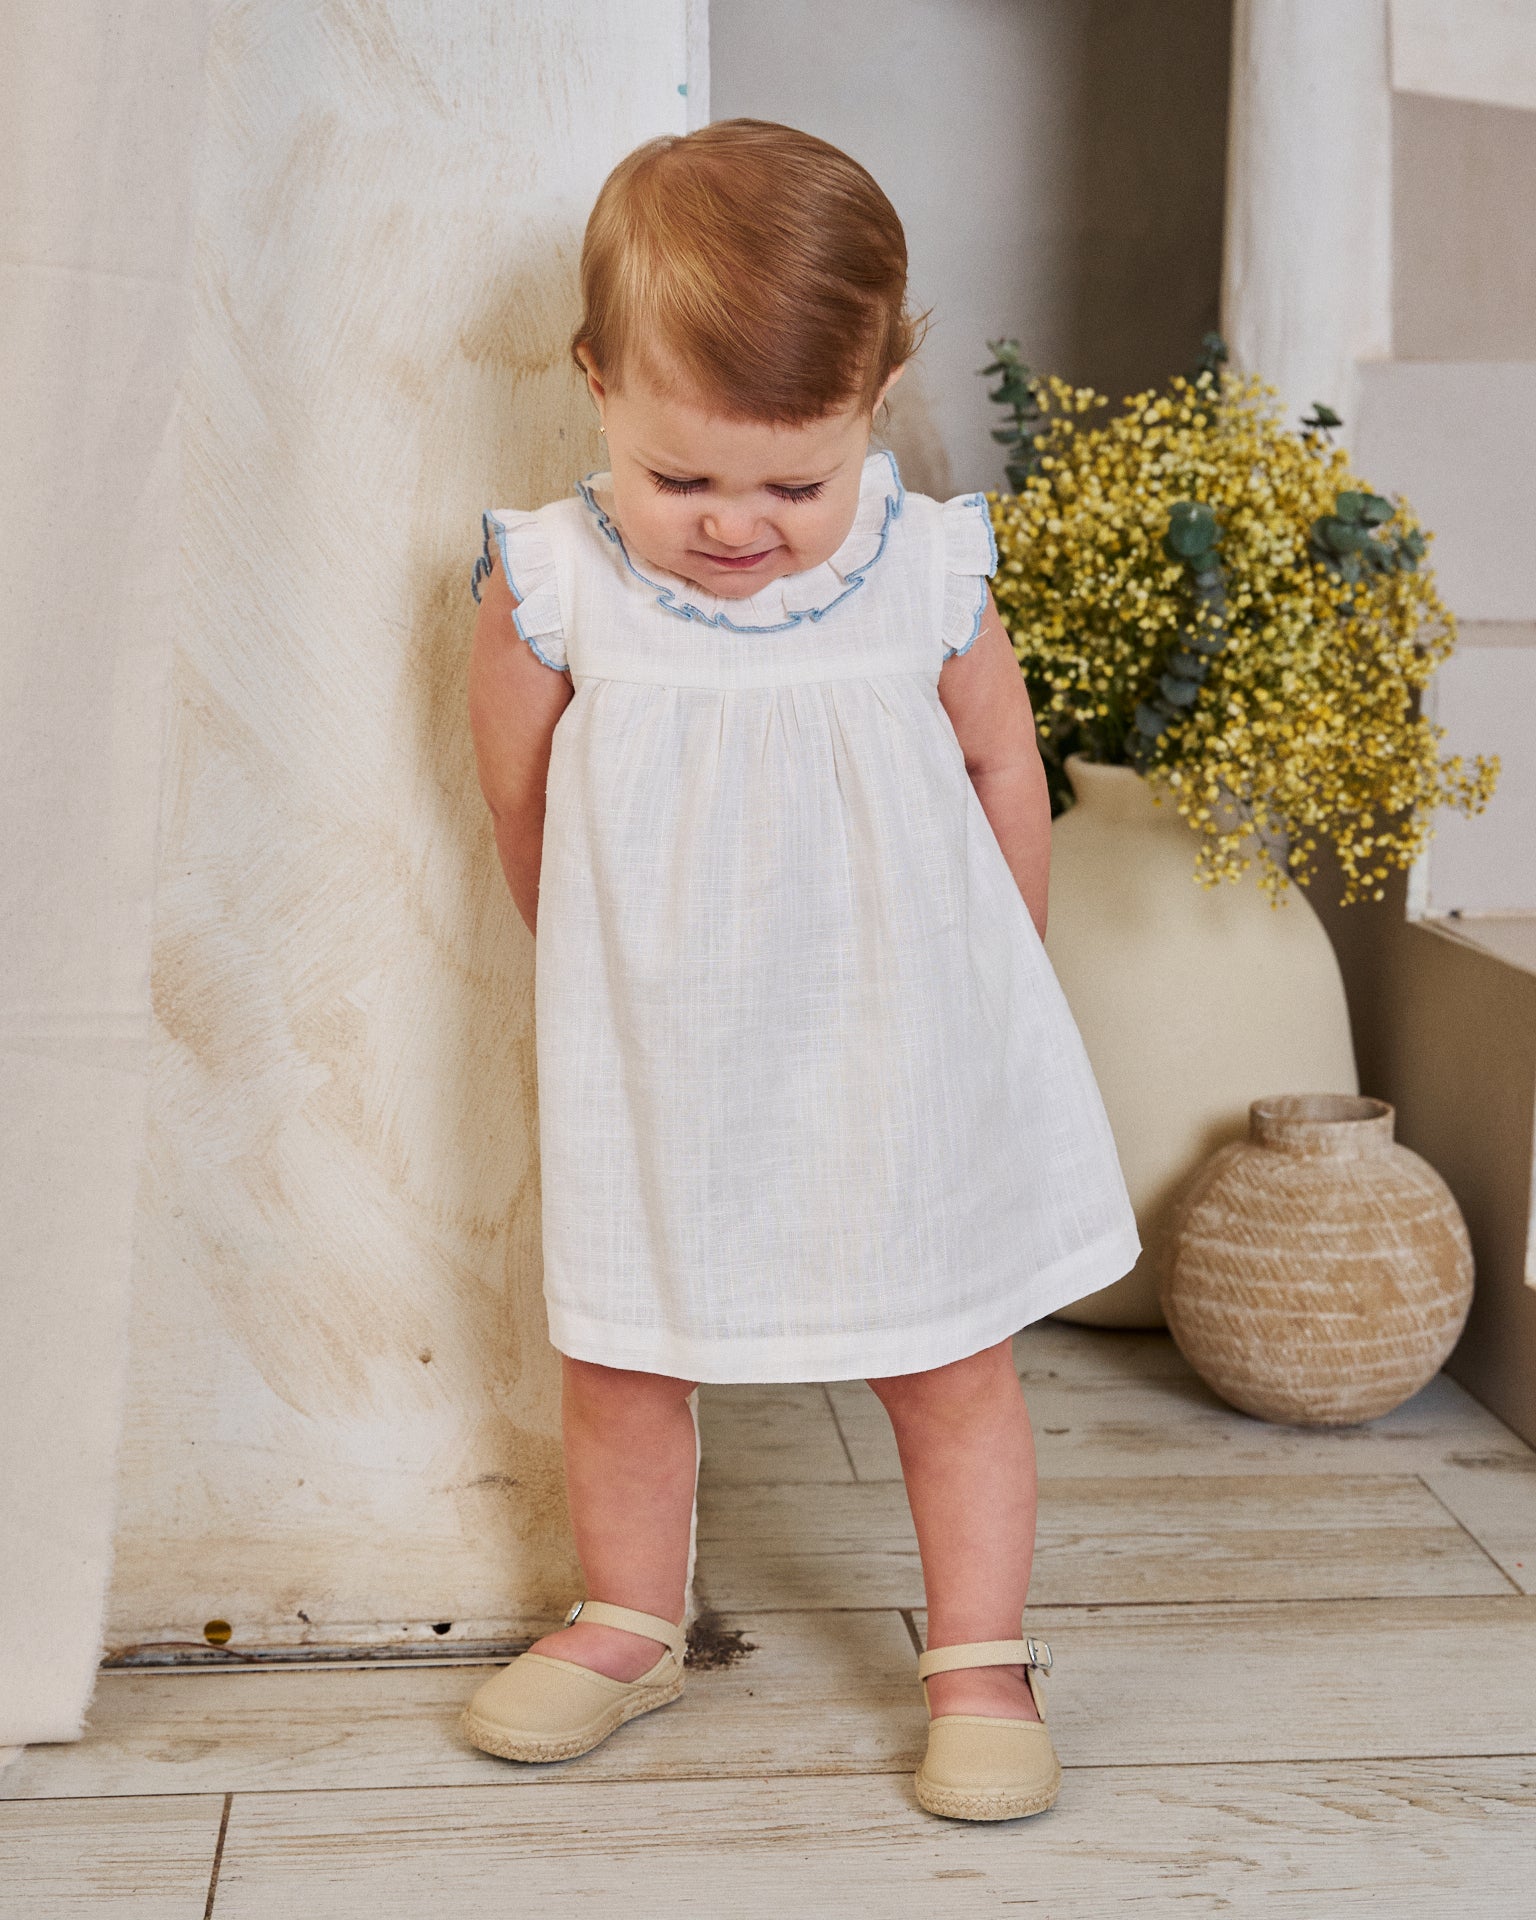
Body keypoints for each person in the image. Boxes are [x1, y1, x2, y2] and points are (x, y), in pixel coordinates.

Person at [460, 119, 1138, 1823]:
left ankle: (979, 1656)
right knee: (625, 1341)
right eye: (684, 481)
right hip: (659, 1039)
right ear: (597, 382)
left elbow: (1002, 767)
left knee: (947, 1350)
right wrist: (597, 983)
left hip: (900, 1031)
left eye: (794, 486)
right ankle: (630, 1615)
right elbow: (519, 800)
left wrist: (995, 980)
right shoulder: (551, 585)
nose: (738, 527)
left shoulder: (921, 570)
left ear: (875, 402)